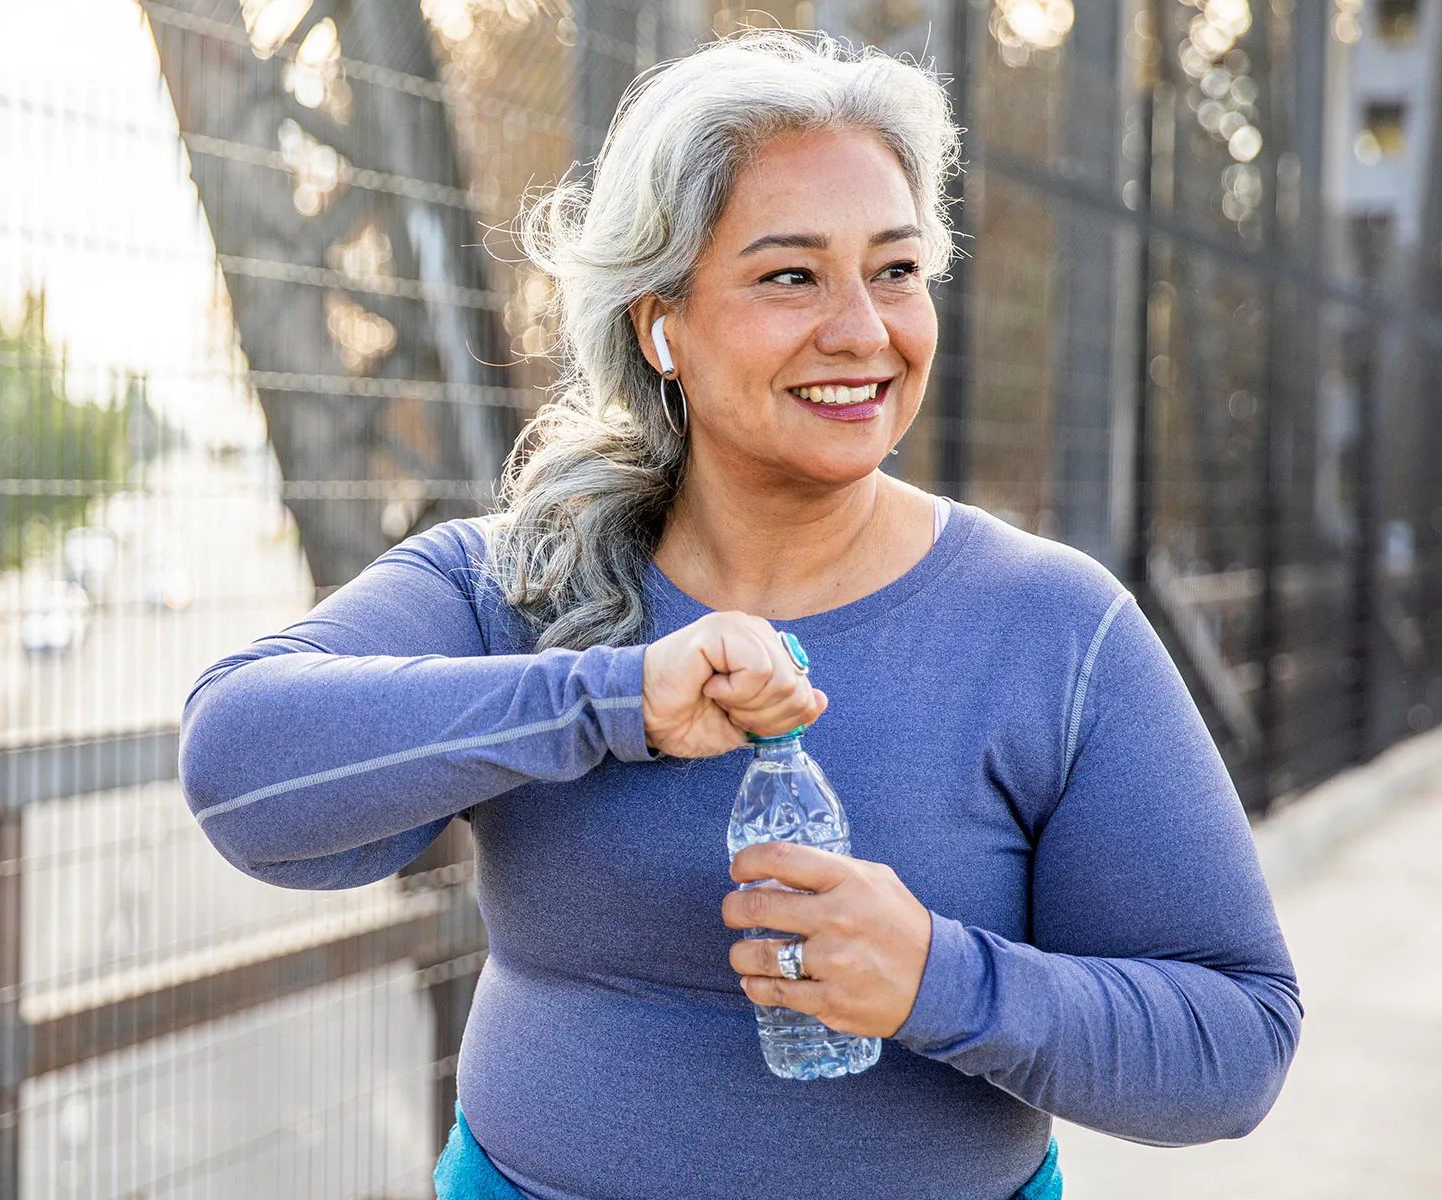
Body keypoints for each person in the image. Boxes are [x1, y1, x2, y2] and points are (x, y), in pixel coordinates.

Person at [180, 30, 1300, 1200]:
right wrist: (608, 700)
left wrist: (942, 980)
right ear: (660, 323)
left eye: (897, 269)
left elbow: (1238, 1045)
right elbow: (238, 770)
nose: (864, 329)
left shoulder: (1054, 630)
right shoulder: (520, 585)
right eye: (790, 274)